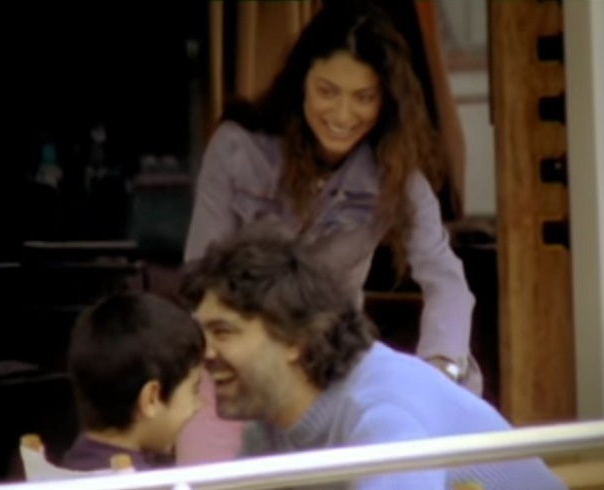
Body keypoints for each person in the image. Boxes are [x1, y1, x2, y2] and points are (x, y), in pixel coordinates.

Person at [181, 2, 479, 463]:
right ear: (301, 81)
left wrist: (439, 371)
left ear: (386, 102)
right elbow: (199, 273)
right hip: (238, 367)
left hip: (331, 367)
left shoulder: (397, 174)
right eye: (328, 90)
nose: (343, 114)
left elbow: (447, 281)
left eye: (364, 97)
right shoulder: (238, 150)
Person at [183, 228, 565, 489]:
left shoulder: (383, 413)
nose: (206, 354)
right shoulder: (270, 428)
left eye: (223, 332)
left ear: (295, 338)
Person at [62, 292, 204, 471]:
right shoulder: (149, 484)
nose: (198, 405)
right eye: (194, 389)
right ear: (151, 399)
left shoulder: (65, 468)